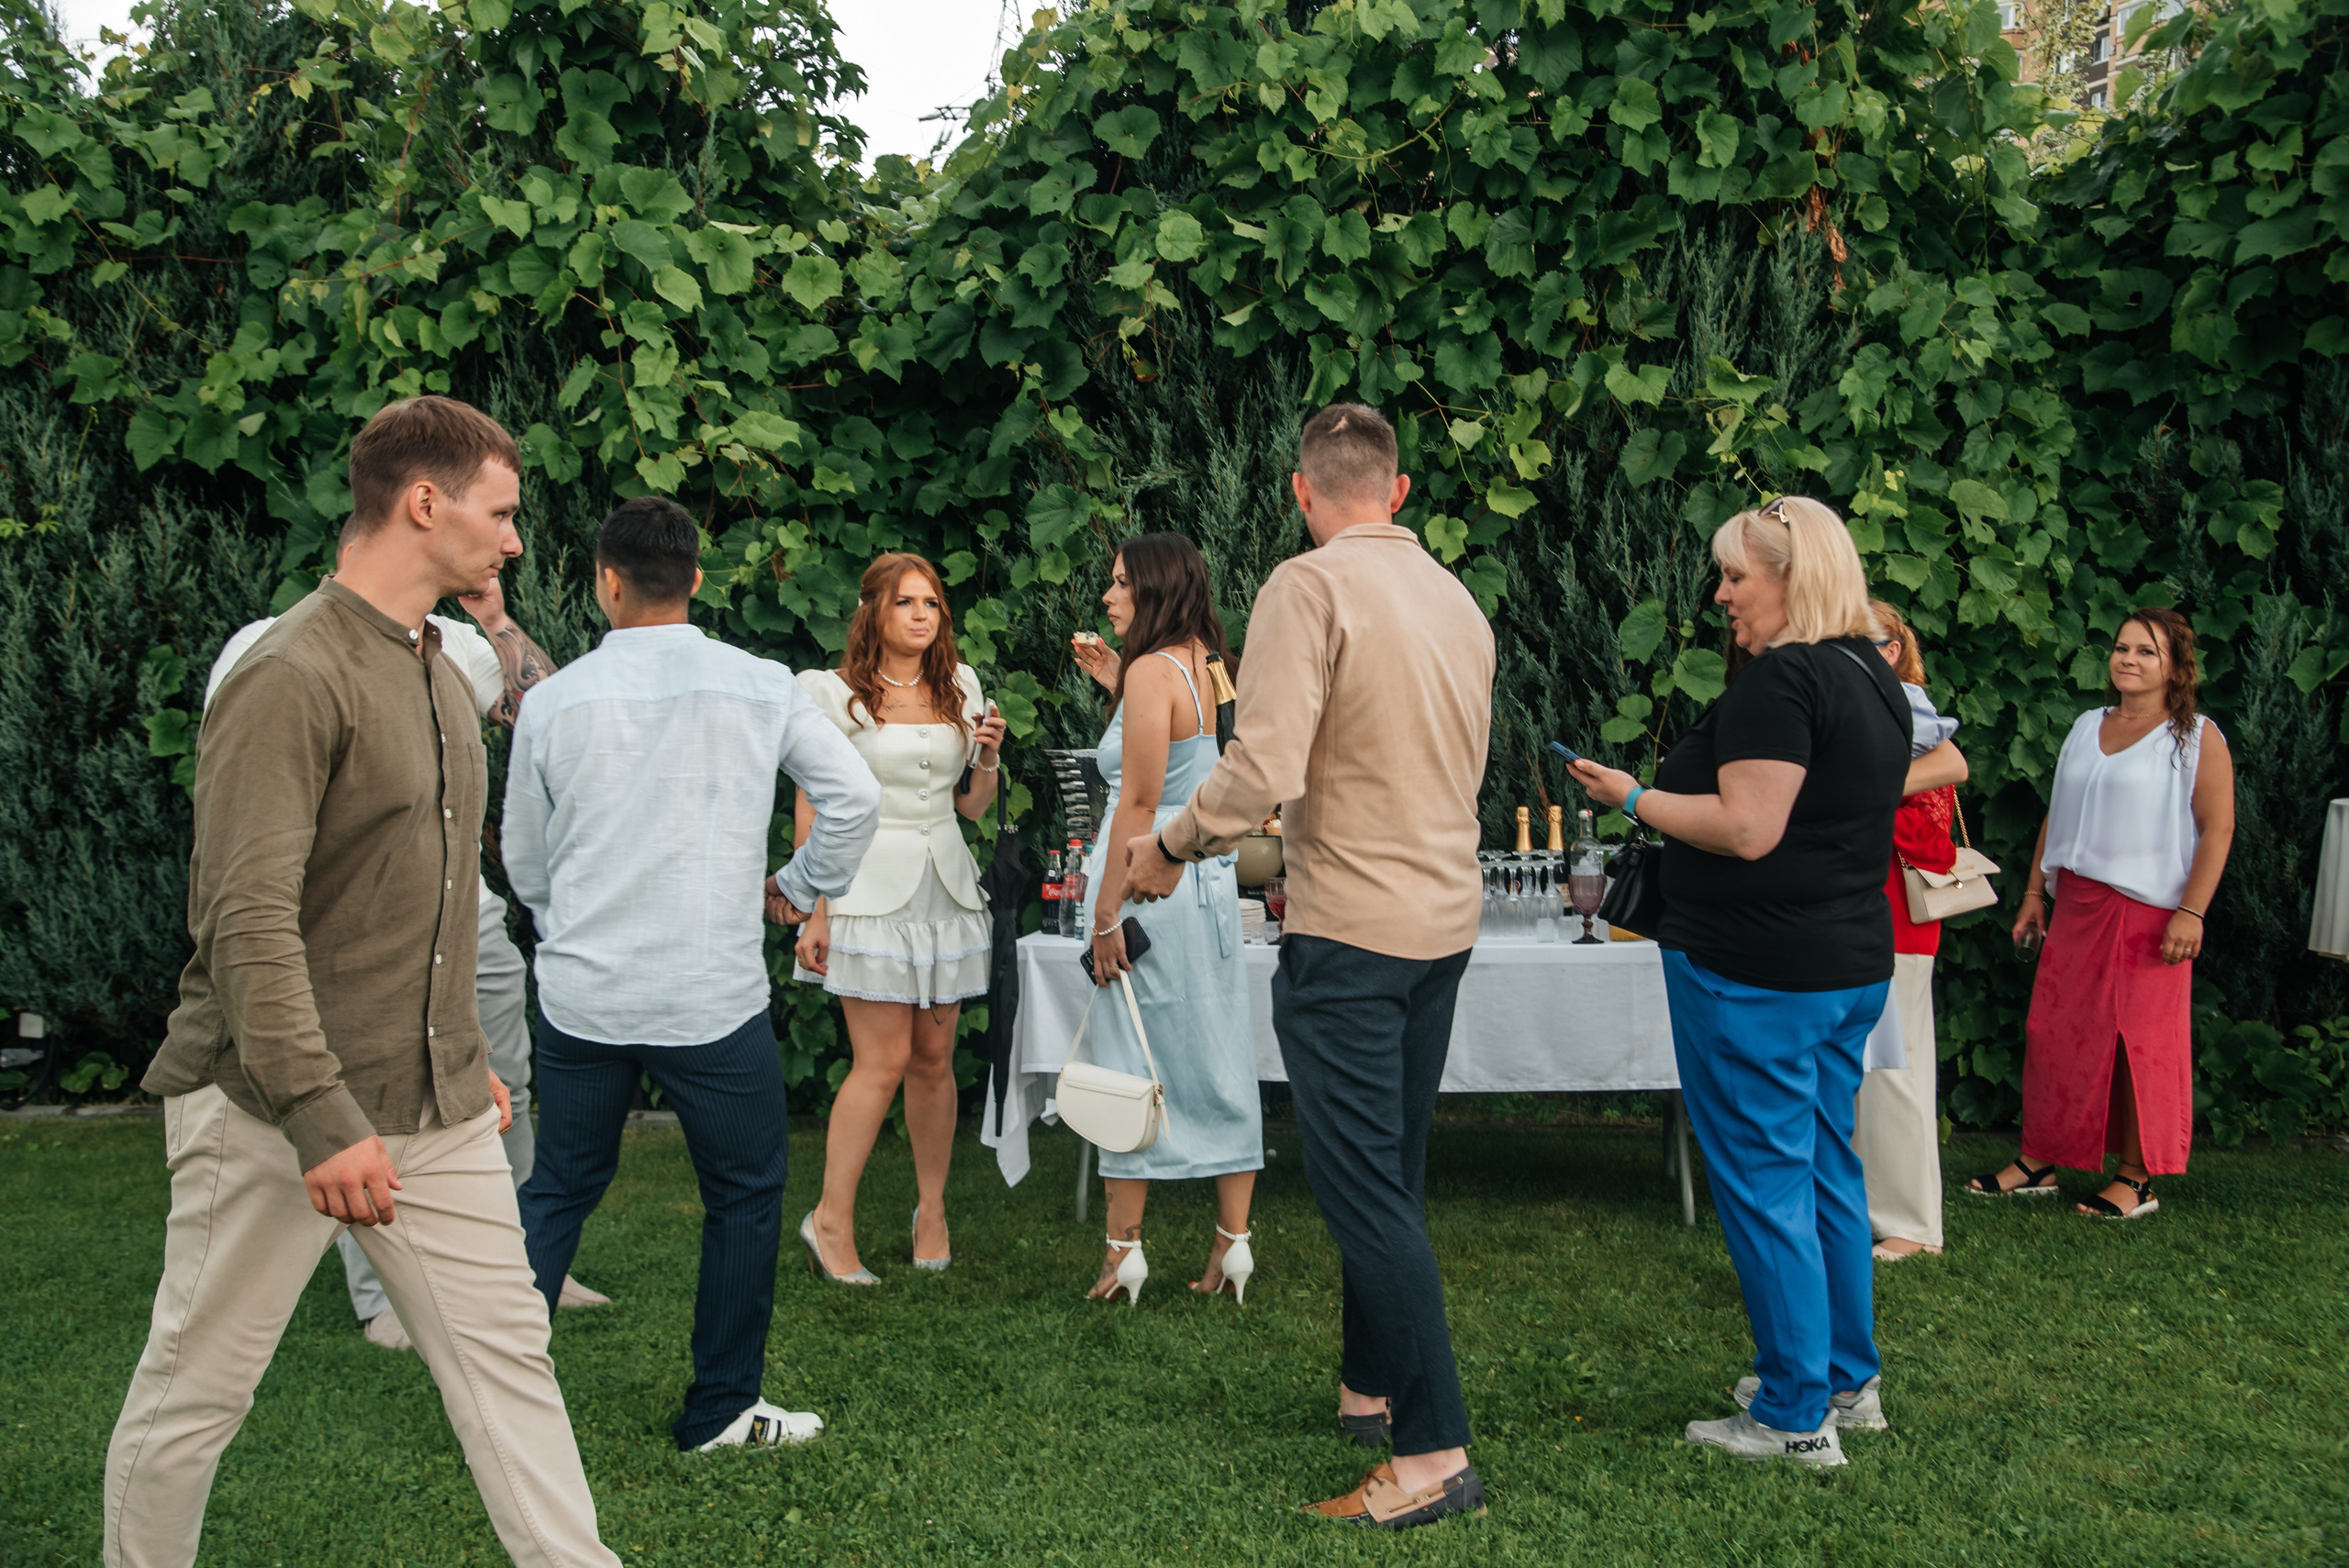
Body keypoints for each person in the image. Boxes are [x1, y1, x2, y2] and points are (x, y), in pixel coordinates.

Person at [106, 395, 622, 1566]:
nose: (515, 541)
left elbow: (423, 897)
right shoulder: (288, 672)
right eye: (499, 513)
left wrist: (468, 1052)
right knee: (200, 1390)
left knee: (509, 1363)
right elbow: (244, 919)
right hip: (270, 1108)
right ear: (423, 501)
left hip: (431, 1104)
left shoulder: (446, 671)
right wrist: (321, 1117)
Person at [1124, 404, 1494, 1529]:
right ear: (1402, 486)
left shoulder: (1305, 583)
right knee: (1397, 1172)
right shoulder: (1456, 597)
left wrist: (1168, 845)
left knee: (1362, 1189)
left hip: (1354, 927)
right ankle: (1369, 1389)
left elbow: (1260, 764)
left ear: (1300, 490)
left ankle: (1431, 1455)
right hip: (1443, 921)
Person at [505, 497, 880, 1451]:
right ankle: (719, 1408)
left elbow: (524, 856)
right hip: (707, 996)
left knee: (558, 1186)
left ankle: (498, 1404)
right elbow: (854, 795)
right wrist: (798, 886)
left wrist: (566, 920)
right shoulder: (761, 683)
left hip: (586, 991)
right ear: (697, 580)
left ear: (606, 579)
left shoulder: (552, 700)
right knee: (746, 1192)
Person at [1572, 495, 1910, 1469]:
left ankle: (1794, 1411)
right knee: (1823, 1170)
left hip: (1756, 971)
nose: (1719, 594)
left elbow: (1751, 827)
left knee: (1765, 1184)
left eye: (1734, 574)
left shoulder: (1782, 678)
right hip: (1844, 963)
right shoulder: (1870, 671)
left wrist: (1632, 796)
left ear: (1789, 577)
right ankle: (1846, 1379)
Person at [200, 568, 608, 1352]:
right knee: (372, 1110)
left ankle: (526, 1268)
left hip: (468, 927)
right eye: (493, 516)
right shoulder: (269, 650)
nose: (507, 543)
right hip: (357, 941)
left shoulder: (452, 643)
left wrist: (494, 617)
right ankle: (381, 1295)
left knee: (505, 1092)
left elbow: (551, 714)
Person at [1970, 607, 2235, 1218]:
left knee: (2135, 1045)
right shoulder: (2086, 725)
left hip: (2149, 915)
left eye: (2146, 651)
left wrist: (2191, 911)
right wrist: (2036, 891)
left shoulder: (2196, 737)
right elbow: (2057, 815)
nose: (2128, 659)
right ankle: (2039, 1158)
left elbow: (2217, 829)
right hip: (2078, 906)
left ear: (2175, 666)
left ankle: (2137, 1178)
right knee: (2054, 1033)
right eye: (2121, 647)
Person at [788, 552, 1006, 1283]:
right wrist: (814, 909)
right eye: (906, 602)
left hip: (943, 887)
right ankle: (830, 1220)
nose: (922, 615)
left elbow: (970, 806)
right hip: (864, 891)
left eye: (933, 604)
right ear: (873, 611)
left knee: (934, 1060)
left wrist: (989, 760)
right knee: (878, 1062)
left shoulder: (962, 688)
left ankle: (932, 1210)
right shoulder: (833, 694)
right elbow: (811, 805)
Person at [1070, 534, 1263, 1306]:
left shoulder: (1153, 672)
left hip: (1151, 884)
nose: (1110, 597)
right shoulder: (1209, 660)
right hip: (1208, 883)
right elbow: (1199, 756)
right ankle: (1232, 1243)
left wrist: (1109, 907)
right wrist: (1123, 685)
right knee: (1218, 1055)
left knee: (1130, 1058)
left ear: (1153, 589)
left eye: (1120, 584)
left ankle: (1123, 1255)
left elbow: (1143, 802)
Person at [1854, 600, 1969, 1262]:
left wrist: (1854, 790)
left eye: (1873, 639)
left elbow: (1931, 832)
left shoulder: (1911, 711)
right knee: (1867, 1068)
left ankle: (1914, 1223)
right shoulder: (1863, 705)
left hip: (1898, 913)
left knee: (1897, 1066)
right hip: (1857, 908)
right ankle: (1874, 1205)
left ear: (1897, 647)